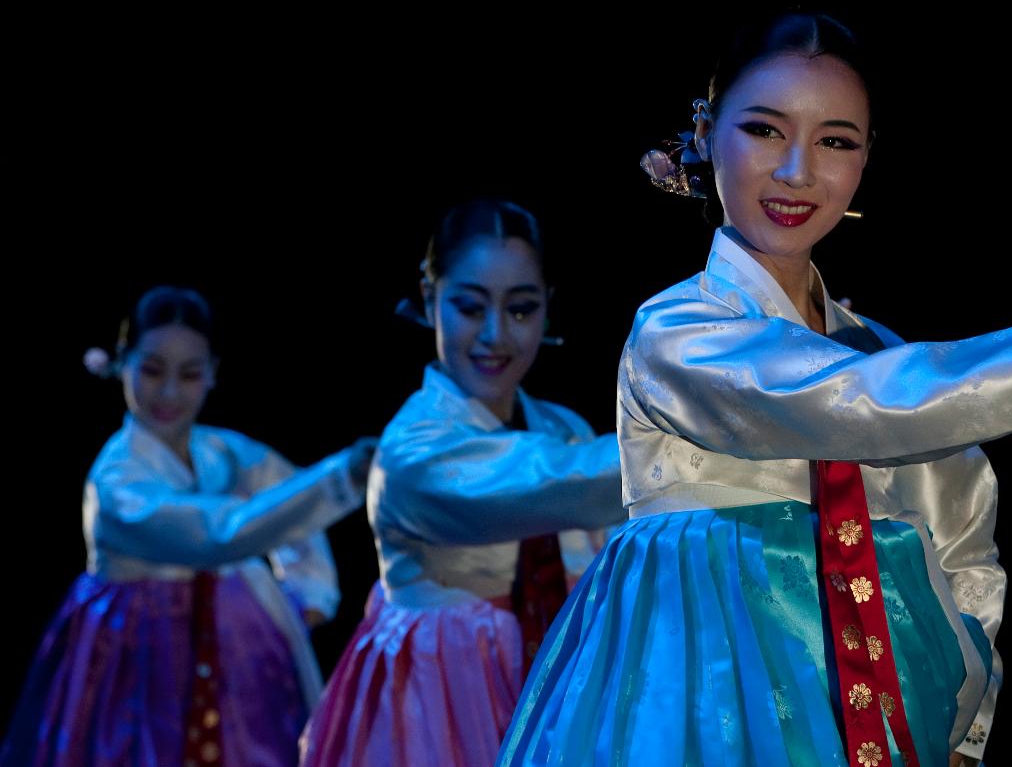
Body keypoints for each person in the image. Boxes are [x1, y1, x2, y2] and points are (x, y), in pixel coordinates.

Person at [499, 10, 1012, 767]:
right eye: (765, 130)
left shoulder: (878, 347)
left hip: (881, 711)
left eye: (835, 141)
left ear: (865, 160)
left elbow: (964, 541)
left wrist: (966, 722)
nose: (798, 171)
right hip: (700, 696)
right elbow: (858, 401)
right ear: (704, 135)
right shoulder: (677, 332)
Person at [300, 200, 627, 767]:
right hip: (437, 704)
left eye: (521, 310)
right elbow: (556, 483)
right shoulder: (413, 452)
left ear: (548, 308)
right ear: (431, 302)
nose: (495, 335)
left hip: (563, 693)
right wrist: (711, 425)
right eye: (471, 308)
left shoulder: (563, 428)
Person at [1, 286, 374, 766]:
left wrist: (309, 595)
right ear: (122, 363)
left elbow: (281, 494)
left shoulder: (222, 453)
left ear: (213, 374)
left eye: (190, 374)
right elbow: (217, 533)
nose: (170, 392)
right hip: (135, 655)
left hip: (239, 651)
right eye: (152, 371)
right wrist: (342, 476)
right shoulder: (118, 479)